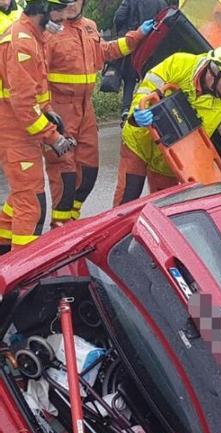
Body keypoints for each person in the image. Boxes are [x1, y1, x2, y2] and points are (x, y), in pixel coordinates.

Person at [44, 0, 155, 226]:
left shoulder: (89, 26)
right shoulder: (48, 30)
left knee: (88, 174)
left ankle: (69, 223)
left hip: (86, 109)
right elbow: (35, 75)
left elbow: (104, 51)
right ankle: (60, 233)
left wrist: (136, 36)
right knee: (65, 178)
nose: (72, 4)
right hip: (59, 110)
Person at [114, 44, 221, 205]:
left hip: (170, 158)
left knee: (165, 209)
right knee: (127, 199)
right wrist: (137, 112)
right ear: (213, 71)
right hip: (139, 141)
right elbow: (147, 87)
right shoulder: (180, 63)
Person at [0, 0, 78, 254]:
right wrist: (53, 138)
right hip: (13, 133)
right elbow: (23, 104)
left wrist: (49, 113)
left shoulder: (34, 37)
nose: (64, 19)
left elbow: (36, 91)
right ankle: (22, 275)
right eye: (60, 12)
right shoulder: (22, 42)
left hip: (20, 132)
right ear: (43, 7)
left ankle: (3, 252)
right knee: (31, 205)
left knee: (20, 199)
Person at [113, 0, 166, 121]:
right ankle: (148, 107)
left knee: (129, 79)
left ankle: (126, 109)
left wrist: (126, 30)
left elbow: (118, 17)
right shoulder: (160, 2)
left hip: (133, 43)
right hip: (151, 46)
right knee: (150, 80)